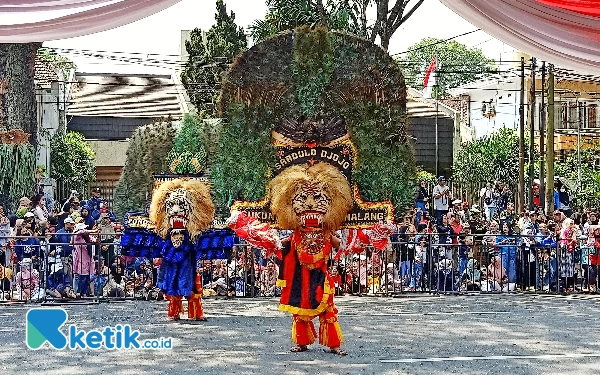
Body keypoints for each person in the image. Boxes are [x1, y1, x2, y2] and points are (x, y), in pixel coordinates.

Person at [71, 222, 96, 298]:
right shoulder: (78, 237)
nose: (86, 230)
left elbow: (95, 240)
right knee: (82, 277)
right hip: (81, 259)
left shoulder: (87, 237)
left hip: (88, 258)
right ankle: (79, 292)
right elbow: (80, 232)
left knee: (87, 278)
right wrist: (92, 231)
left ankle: (84, 293)